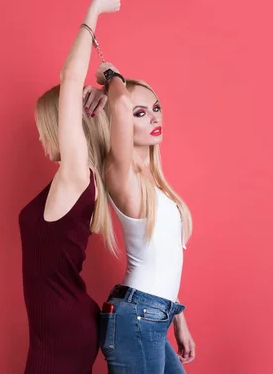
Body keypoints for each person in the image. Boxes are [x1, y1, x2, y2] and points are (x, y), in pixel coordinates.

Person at [18, 0, 120, 374]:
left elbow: (69, 77)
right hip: (58, 330)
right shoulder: (76, 183)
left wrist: (93, 11)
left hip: (60, 335)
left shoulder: (75, 178)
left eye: (42, 128)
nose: (41, 138)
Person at [95, 62, 197, 373]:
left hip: (152, 315)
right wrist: (109, 77)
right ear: (121, 120)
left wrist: (179, 320)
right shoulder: (121, 174)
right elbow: (121, 102)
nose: (154, 116)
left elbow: (161, 258)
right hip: (137, 316)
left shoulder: (157, 185)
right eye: (139, 113)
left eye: (155, 108)